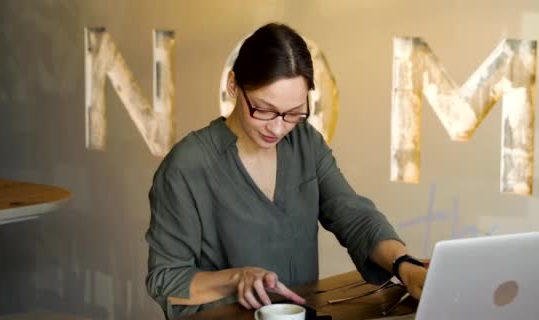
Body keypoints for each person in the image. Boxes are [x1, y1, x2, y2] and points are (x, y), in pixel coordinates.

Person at [145, 22, 427, 320]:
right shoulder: (188, 165)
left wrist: (404, 265)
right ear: (232, 85)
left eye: (294, 113)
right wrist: (236, 278)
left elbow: (353, 216)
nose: (278, 128)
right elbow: (166, 279)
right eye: (264, 109)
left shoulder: (305, 142)